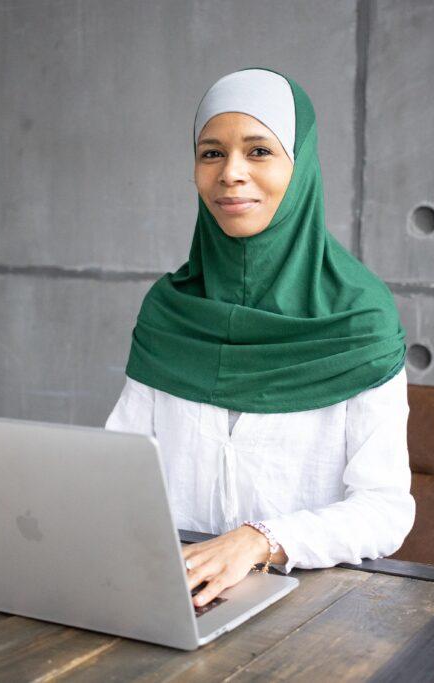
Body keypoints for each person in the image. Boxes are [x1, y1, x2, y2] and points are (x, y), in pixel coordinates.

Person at [104, 67, 414, 610]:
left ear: (301, 166)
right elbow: (115, 471)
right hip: (170, 598)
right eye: (211, 153)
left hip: (311, 610)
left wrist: (262, 540)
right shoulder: (170, 309)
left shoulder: (359, 318)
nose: (231, 174)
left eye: (259, 151)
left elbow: (385, 510)